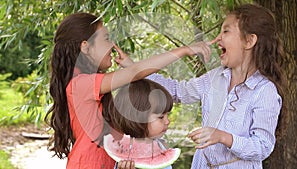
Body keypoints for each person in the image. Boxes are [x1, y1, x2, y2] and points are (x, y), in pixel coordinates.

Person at [119, 3, 287, 169]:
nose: (218, 38)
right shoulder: (215, 78)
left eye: (226, 31)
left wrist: (223, 137)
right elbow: (177, 91)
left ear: (249, 41)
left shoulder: (265, 91)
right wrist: (132, 67)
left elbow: (263, 146)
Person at [44, 12, 210, 169]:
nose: (112, 45)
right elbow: (134, 73)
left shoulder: (94, 84)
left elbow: (135, 78)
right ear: (85, 47)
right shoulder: (81, 84)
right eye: (106, 39)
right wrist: (183, 50)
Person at [102, 79, 174, 169]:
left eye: (168, 115)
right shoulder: (125, 151)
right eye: (161, 117)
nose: (167, 121)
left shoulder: (159, 145)